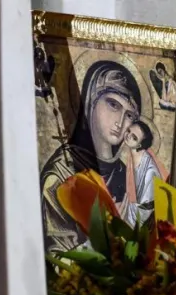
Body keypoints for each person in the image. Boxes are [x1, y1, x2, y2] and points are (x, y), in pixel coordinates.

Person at [40, 60, 141, 251]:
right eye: (113, 105)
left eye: (129, 115)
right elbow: (58, 255)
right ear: (90, 100)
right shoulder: (61, 174)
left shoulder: (128, 177)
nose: (120, 121)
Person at [121, 118, 168, 228]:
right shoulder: (132, 156)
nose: (128, 136)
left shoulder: (150, 173)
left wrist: (125, 209)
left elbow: (147, 209)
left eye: (134, 137)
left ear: (139, 145)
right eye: (128, 131)